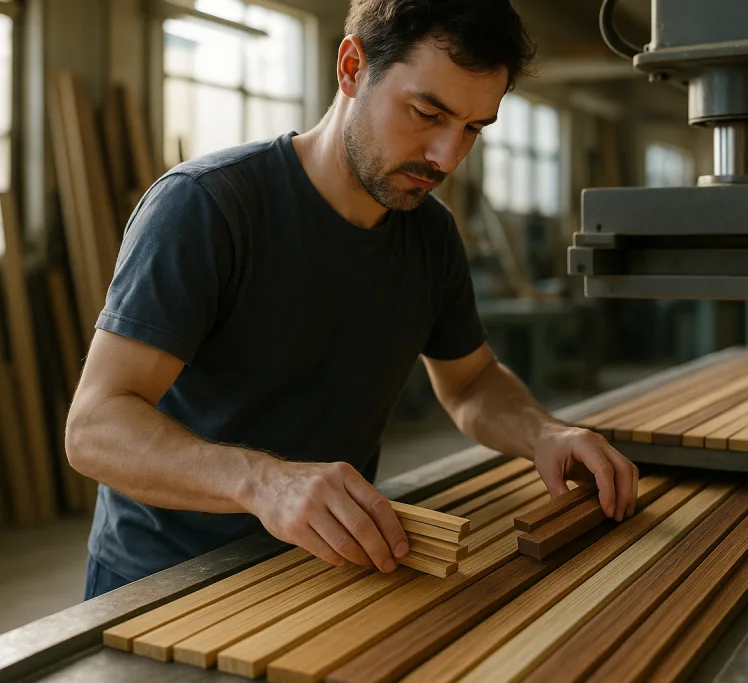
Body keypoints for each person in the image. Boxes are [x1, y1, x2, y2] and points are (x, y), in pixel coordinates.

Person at [66, 0, 639, 600]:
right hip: (166, 586)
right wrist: (264, 483)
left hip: (332, 570)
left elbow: (470, 384)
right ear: (350, 67)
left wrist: (542, 432)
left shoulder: (430, 235)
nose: (447, 157)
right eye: (426, 111)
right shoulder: (207, 208)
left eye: (472, 128)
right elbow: (95, 428)